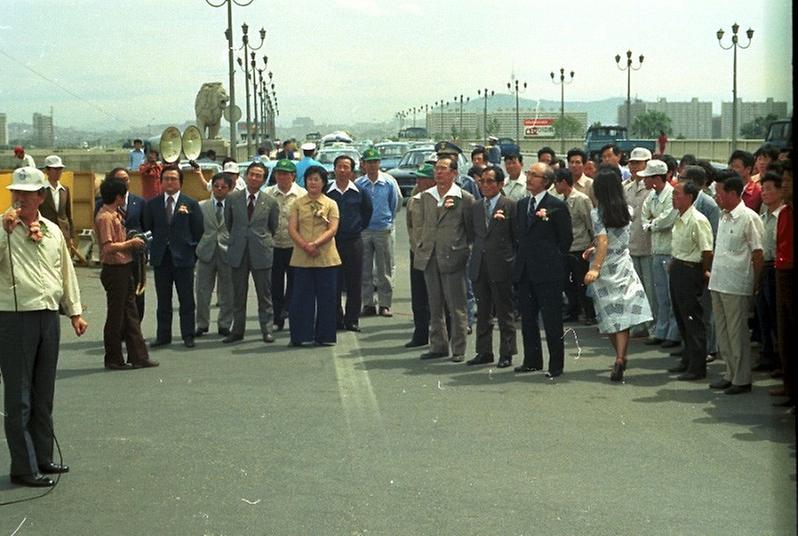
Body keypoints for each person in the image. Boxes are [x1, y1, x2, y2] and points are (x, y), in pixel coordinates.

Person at [0, 166, 88, 488]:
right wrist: (3, 230)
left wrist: (75, 312)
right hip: (15, 317)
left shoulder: (52, 231)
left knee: (43, 392)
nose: (20, 199)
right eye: (15, 193)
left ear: (40, 196)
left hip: (48, 316)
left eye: (27, 193)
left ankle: (43, 456)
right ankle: (23, 467)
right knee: (19, 395)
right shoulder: (3, 229)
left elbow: (65, 273)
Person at [583, 166, 653, 382]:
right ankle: (621, 357)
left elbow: (604, 241)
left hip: (605, 268)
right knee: (623, 314)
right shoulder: (628, 210)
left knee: (610, 315)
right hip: (623, 263)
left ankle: (619, 355)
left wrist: (595, 266)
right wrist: (593, 248)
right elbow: (612, 240)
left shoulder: (598, 213)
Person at [413, 155, 475, 362]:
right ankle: (438, 345)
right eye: (437, 169)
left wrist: (464, 252)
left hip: (453, 257)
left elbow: (470, 230)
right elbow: (419, 225)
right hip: (430, 256)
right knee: (434, 304)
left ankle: (458, 348)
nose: (438, 172)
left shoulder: (464, 198)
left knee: (456, 305)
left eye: (443, 169)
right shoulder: (426, 197)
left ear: (454, 173)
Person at [513, 162, 573, 377]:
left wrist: (551, 260)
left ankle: (556, 365)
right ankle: (532, 360)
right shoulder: (521, 205)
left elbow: (565, 240)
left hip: (548, 273)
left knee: (551, 321)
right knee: (528, 320)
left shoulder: (556, 205)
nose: (529, 178)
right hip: (525, 272)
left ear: (546, 181)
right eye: (528, 174)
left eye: (535, 175)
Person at [707, 174, 764, 395]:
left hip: (737, 284)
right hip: (719, 281)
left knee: (737, 333)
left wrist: (755, 284)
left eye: (719, 192)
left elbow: (758, 254)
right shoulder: (723, 216)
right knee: (723, 332)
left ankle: (742, 379)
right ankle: (730, 374)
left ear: (732, 193)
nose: (716, 196)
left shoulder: (748, 218)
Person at [94, 177, 158, 370]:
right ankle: (113, 358)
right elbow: (107, 248)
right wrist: (130, 244)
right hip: (115, 269)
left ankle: (138, 356)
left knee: (131, 314)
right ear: (118, 197)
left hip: (124, 267)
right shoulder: (105, 217)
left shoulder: (115, 214)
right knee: (116, 316)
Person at [142, 166, 204, 348]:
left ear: (180, 182)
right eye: (166, 179)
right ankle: (163, 335)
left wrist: (191, 251)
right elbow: (147, 229)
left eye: (173, 179)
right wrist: (153, 248)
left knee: (186, 299)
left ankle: (188, 335)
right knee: (163, 300)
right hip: (161, 258)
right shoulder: (152, 204)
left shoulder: (190, 203)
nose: (169, 182)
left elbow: (198, 231)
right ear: (161, 182)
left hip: (184, 258)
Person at [224, 161, 280, 344]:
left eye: (259, 175)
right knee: (238, 294)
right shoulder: (232, 198)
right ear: (245, 176)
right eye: (252, 174)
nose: (254, 178)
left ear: (264, 180)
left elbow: (273, 226)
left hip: (261, 251)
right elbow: (229, 223)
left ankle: (267, 330)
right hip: (238, 250)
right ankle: (237, 330)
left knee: (264, 294)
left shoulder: (270, 201)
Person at [467, 165, 517, 367]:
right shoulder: (477, 207)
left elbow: (516, 237)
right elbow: (473, 235)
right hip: (480, 265)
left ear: (500, 184)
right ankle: (484, 351)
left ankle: (507, 352)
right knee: (483, 311)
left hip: (501, 266)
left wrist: (510, 261)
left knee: (504, 312)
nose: (485, 185)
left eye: (490, 181)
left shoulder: (510, 205)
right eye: (482, 181)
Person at [287, 166, 341, 346]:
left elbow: (333, 229)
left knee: (327, 298)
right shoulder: (297, 203)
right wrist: (305, 246)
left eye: (317, 179)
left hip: (326, 257)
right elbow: (292, 229)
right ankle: (301, 336)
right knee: (301, 298)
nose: (313, 182)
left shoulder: (331, 203)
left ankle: (325, 336)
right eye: (310, 179)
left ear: (323, 182)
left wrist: (315, 244)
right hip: (302, 257)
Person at [666, 181, 713, 381]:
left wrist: (703, 272)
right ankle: (687, 359)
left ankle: (697, 367)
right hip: (678, 268)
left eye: (677, 194)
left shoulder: (697, 220)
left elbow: (707, 251)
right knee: (682, 318)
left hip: (690, 271)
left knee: (693, 320)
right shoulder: (680, 217)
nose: (673, 197)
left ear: (689, 197)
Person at [326, 154, 372, 332]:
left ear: (352, 171)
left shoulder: (360, 192)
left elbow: (367, 213)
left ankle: (352, 319)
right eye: (339, 166)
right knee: (333, 282)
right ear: (334, 169)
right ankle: (336, 318)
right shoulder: (327, 191)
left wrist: (357, 228)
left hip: (354, 242)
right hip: (331, 242)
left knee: (354, 282)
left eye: (346, 167)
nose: (343, 170)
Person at [640, 159, 680, 348]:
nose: (644, 181)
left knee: (672, 296)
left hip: (670, 251)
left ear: (656, 178)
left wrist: (651, 224)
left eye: (647, 177)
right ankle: (661, 330)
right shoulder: (652, 196)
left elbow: (666, 220)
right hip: (656, 250)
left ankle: (673, 333)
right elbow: (643, 216)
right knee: (660, 295)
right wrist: (652, 224)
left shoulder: (672, 195)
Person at [356, 147, 400, 317]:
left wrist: (386, 219)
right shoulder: (359, 184)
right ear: (364, 165)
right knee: (364, 269)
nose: (373, 166)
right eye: (369, 162)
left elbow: (395, 203)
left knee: (384, 270)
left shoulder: (388, 182)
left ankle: (385, 304)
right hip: (364, 230)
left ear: (379, 164)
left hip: (383, 230)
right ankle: (368, 304)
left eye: (375, 162)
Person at [264, 159, 306, 332]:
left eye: (286, 174)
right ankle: (277, 318)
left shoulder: (302, 194)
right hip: (273, 245)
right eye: (279, 173)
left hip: (294, 245)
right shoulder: (267, 193)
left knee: (295, 283)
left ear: (293, 176)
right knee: (275, 284)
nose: (282, 177)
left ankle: (289, 311)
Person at [553, 167, 596, 325]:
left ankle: (589, 313)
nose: (555, 186)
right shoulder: (560, 200)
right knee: (567, 282)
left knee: (582, 283)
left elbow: (590, 224)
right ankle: (574, 310)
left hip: (580, 246)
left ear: (564, 182)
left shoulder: (581, 199)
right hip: (565, 247)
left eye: (556, 183)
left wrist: (592, 245)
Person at [752, 172, 785, 372]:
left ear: (781, 191)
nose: (764, 193)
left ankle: (780, 360)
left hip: (776, 268)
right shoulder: (762, 217)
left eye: (769, 189)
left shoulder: (783, 215)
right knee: (762, 315)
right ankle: (767, 355)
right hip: (761, 268)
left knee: (776, 317)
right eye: (762, 189)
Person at [195, 173, 234, 338]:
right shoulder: (201, 206)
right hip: (206, 252)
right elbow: (195, 229)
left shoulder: (235, 206)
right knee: (202, 291)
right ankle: (202, 324)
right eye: (216, 186)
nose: (219, 189)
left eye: (223, 187)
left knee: (227, 291)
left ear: (230, 188)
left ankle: (225, 324)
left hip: (228, 252)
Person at [624, 147, 656, 339]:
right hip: (631, 244)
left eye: (638, 162)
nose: (634, 166)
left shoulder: (651, 188)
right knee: (635, 289)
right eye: (632, 163)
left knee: (651, 290)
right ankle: (639, 324)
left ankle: (653, 326)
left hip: (649, 245)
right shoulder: (626, 187)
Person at [404, 163, 435, 348]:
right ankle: (420, 333)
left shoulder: (442, 200)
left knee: (438, 299)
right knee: (419, 297)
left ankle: (441, 336)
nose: (418, 181)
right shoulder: (413, 201)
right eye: (418, 178)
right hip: (417, 254)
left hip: (436, 255)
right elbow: (410, 226)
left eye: (422, 178)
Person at [773, 162, 793, 406]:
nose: (784, 184)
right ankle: (789, 387)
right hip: (782, 273)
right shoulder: (785, 212)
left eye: (788, 181)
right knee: (784, 335)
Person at [39, 155, 74, 244]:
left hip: (63, 233)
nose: (58, 172)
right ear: (47, 171)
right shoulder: (41, 190)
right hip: (45, 232)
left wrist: (71, 236)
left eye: (60, 169)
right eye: (55, 169)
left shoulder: (65, 190)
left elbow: (68, 214)